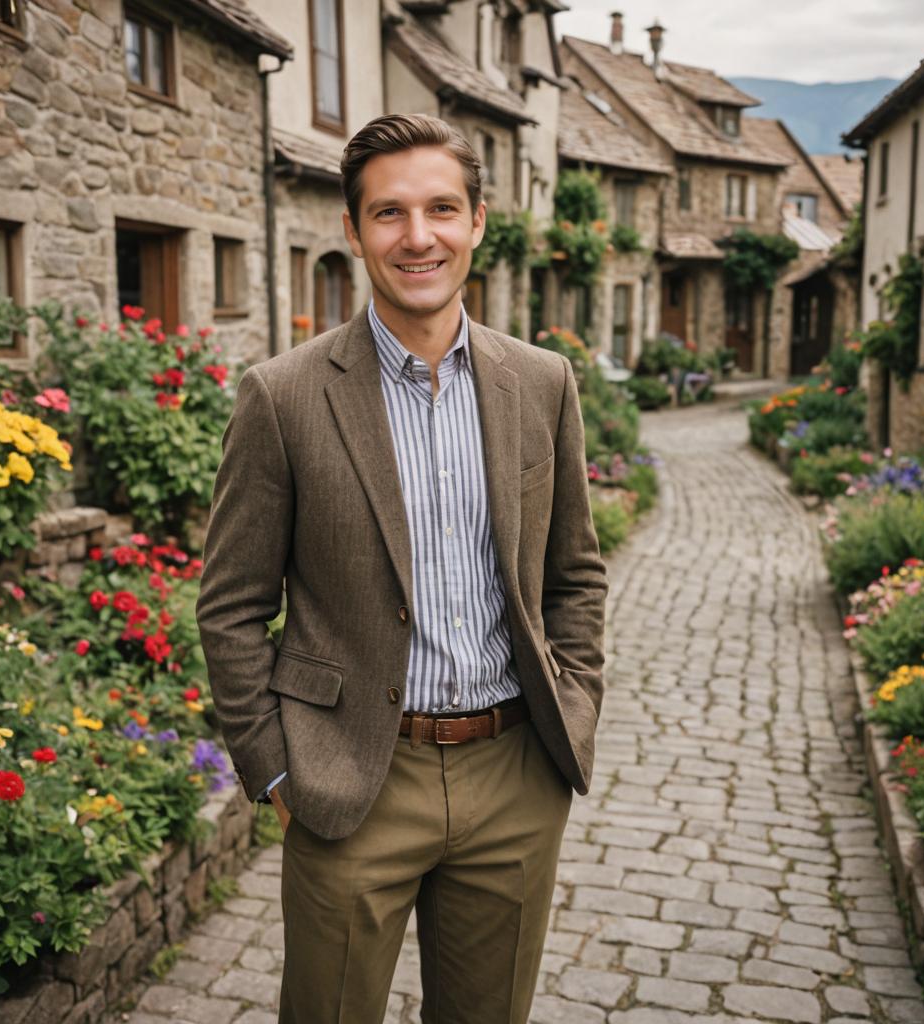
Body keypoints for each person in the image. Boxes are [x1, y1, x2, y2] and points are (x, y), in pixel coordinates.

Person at [196, 113, 607, 1024]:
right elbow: (229, 607)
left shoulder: (542, 382)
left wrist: (571, 710)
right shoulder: (285, 395)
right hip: (350, 783)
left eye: (441, 209)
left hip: (515, 775)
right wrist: (274, 772)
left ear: (478, 222)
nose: (417, 237)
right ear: (353, 230)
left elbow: (575, 574)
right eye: (389, 214)